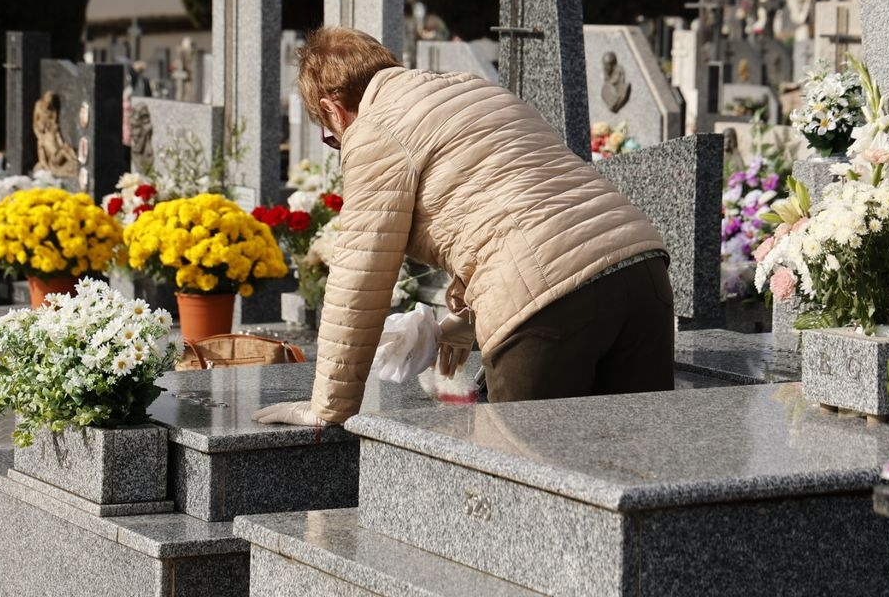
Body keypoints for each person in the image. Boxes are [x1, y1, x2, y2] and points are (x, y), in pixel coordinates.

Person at [252, 27, 674, 427]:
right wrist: (466, 317)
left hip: (551, 306)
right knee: (637, 466)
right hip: (641, 270)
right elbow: (510, 206)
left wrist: (328, 408)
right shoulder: (473, 89)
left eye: (331, 137)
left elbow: (359, 275)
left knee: (530, 484)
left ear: (331, 109)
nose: (338, 144)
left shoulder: (374, 127)